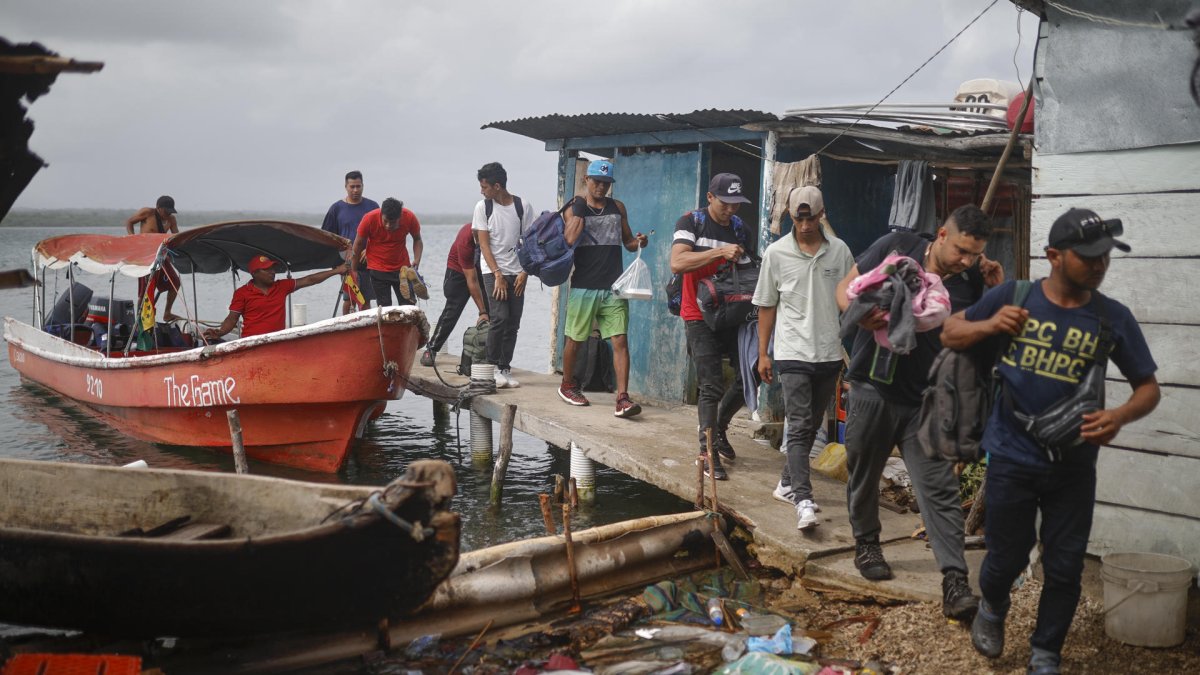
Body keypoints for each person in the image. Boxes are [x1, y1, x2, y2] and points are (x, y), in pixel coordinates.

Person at [942, 208, 1160, 675]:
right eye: (1089, 258)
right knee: (1006, 556)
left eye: (1105, 258)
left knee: (1064, 567)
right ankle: (993, 608)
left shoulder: (1111, 318)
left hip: (1073, 465)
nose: (1100, 266)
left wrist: (1118, 415)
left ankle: (1046, 653)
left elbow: (1149, 388)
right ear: (1054, 257)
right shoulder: (1014, 295)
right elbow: (950, 331)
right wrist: (990, 325)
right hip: (1011, 456)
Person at [835, 204, 1003, 621]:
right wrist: (861, 315)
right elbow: (845, 290)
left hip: (925, 400)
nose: (966, 261)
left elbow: (985, 339)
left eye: (974, 254)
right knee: (863, 473)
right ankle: (867, 543)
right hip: (873, 387)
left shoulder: (972, 282)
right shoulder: (897, 247)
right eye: (961, 250)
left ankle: (954, 580)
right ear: (942, 235)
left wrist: (1000, 288)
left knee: (940, 490)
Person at [753, 186, 853, 529]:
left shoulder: (840, 252)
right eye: (799, 218)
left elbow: (852, 297)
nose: (805, 224)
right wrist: (763, 353)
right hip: (792, 352)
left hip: (828, 353)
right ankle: (804, 499)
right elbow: (767, 305)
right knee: (797, 425)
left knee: (810, 424)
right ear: (791, 217)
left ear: (821, 214)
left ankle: (785, 484)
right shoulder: (776, 254)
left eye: (811, 217)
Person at [670, 172, 754, 480]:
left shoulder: (740, 229)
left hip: (732, 313)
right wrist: (719, 251)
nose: (731, 210)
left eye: (736, 204)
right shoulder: (690, 222)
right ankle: (707, 453)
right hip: (696, 313)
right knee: (710, 384)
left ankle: (718, 428)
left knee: (752, 373)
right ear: (710, 198)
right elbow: (678, 263)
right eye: (725, 203)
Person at [557, 160, 649, 416]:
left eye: (606, 183)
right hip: (584, 286)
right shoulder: (575, 207)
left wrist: (639, 241)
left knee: (619, 340)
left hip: (614, 287)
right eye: (597, 181)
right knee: (576, 339)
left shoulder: (617, 207)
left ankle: (622, 398)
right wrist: (579, 208)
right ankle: (567, 385)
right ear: (586, 180)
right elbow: (570, 239)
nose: (601, 187)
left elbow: (628, 242)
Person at [472, 162, 534, 389]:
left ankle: (505, 368)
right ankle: (491, 367)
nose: (482, 191)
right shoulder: (483, 207)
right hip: (492, 271)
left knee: (513, 322)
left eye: (484, 186)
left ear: (497, 186)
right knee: (499, 318)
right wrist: (497, 274)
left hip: (517, 272)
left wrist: (525, 272)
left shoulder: (522, 206)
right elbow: (484, 245)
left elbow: (530, 243)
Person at [203, 255, 349, 341]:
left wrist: (337, 271)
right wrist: (220, 332)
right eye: (267, 269)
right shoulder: (242, 293)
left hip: (276, 341)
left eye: (272, 269)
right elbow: (232, 318)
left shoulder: (281, 286)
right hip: (250, 342)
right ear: (254, 273)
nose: (272, 272)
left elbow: (309, 280)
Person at [421, 222, 490, 366]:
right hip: (458, 272)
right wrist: (481, 311)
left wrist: (486, 311)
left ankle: (491, 357)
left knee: (493, 311)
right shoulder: (465, 239)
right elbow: (471, 280)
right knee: (452, 311)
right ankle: (431, 349)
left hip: (481, 270)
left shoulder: (493, 232)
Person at [321, 170, 379, 314]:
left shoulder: (373, 206)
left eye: (358, 186)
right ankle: (345, 327)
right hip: (346, 262)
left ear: (363, 186)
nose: (355, 190)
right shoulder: (336, 208)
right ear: (346, 186)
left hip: (367, 262)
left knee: (365, 299)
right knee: (349, 299)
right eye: (352, 186)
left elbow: (380, 235)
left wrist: (370, 249)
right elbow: (326, 236)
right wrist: (335, 261)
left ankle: (367, 329)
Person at [349, 197, 424, 308]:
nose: (388, 225)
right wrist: (353, 270)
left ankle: (409, 325)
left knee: (408, 305)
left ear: (400, 217)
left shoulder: (409, 217)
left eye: (393, 222)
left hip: (402, 269)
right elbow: (358, 244)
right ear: (381, 214)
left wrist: (417, 260)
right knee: (385, 308)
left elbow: (417, 239)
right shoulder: (369, 219)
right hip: (378, 269)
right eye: (385, 221)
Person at [126, 196, 181, 321]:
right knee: (145, 291)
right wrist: (132, 238)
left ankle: (167, 313)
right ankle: (140, 319)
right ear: (159, 208)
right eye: (166, 211)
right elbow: (129, 222)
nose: (168, 214)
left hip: (161, 255)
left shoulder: (171, 219)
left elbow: (176, 236)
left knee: (175, 283)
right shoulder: (147, 213)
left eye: (170, 211)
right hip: (145, 256)